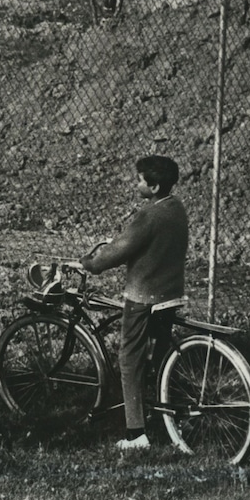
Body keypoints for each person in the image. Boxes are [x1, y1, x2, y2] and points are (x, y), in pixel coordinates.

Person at [82, 155, 189, 452]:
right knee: (160, 354)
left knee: (129, 360)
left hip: (144, 295)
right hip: (170, 292)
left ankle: (136, 433)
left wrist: (91, 263)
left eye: (140, 180)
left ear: (153, 187)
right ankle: (163, 408)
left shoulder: (148, 216)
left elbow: (119, 249)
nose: (136, 183)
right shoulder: (175, 207)